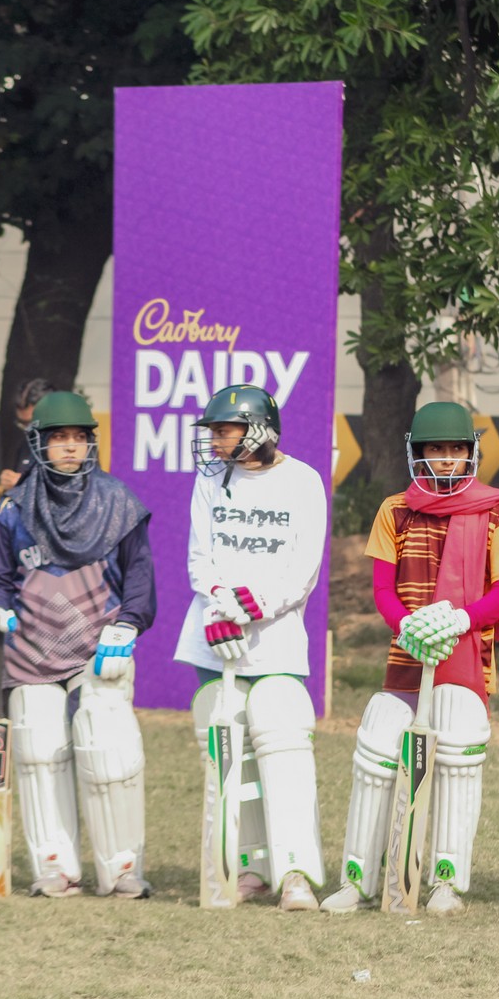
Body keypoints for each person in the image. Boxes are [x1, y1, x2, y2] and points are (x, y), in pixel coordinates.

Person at [320, 401, 499, 916]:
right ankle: (358, 881)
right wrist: (406, 625)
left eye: (456, 448)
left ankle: (446, 883)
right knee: (376, 746)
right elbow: (383, 589)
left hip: (464, 649)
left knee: (458, 749)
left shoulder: (495, 510)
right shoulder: (395, 510)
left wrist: (459, 621)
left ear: (471, 452)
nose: (446, 458)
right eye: (436, 448)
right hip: (407, 650)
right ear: (417, 452)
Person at [0, 391, 155, 899]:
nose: (70, 446)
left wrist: (128, 625)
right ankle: (54, 865)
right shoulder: (13, 509)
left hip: (101, 645)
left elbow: (140, 574)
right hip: (31, 647)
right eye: (59, 438)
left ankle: (122, 868)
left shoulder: (118, 502)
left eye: (79, 437)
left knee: (107, 746)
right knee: (38, 750)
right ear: (38, 443)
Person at [175, 386, 327, 910]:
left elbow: (304, 567)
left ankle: (296, 874)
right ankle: (247, 867)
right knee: (229, 755)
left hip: (275, 636)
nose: (215, 441)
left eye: (224, 430)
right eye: (213, 431)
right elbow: (200, 557)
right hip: (215, 635)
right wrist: (221, 602)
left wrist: (257, 603)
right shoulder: (210, 480)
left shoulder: (303, 480)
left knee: (283, 746)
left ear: (258, 430)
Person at [0, 378, 52, 498]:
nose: (28, 429)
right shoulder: (26, 444)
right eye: (23, 423)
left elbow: (69, 492)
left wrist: (24, 484)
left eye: (33, 422)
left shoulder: (69, 446)